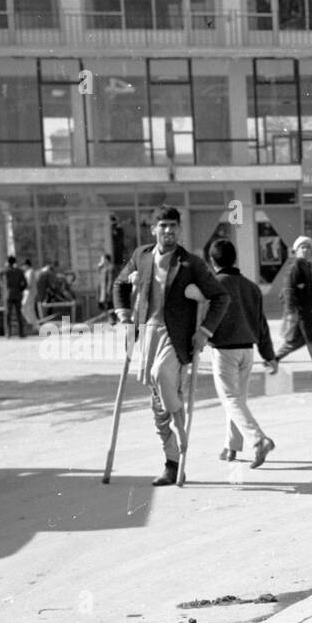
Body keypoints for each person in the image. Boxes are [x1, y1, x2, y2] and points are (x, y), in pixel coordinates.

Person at [113, 205, 228, 486]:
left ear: (179, 229)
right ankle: (172, 462)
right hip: (148, 332)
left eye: (173, 226)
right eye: (163, 225)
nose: (168, 231)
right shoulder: (141, 255)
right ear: (153, 229)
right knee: (156, 403)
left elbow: (221, 297)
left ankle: (179, 418)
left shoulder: (191, 263)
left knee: (160, 374)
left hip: (176, 337)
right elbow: (119, 284)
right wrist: (125, 316)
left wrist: (204, 332)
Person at [205, 237, 279, 468]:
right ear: (234, 258)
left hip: (223, 350)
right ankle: (231, 447)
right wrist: (269, 355)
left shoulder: (212, 286)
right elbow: (261, 325)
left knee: (230, 399)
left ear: (211, 261)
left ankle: (258, 441)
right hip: (247, 351)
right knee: (238, 400)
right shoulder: (251, 287)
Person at [274, 235, 312, 380]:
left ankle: (273, 360)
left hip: (310, 312)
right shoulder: (295, 267)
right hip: (302, 314)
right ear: (296, 250)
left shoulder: (307, 266)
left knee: (296, 341)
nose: (306, 250)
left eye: (308, 247)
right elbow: (288, 290)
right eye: (302, 247)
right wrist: (290, 311)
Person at [3, 256, 27, 337]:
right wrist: (20, 289)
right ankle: (21, 333)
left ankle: (8, 332)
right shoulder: (20, 271)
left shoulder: (6, 271)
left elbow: (4, 282)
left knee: (8, 314)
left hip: (9, 294)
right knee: (18, 314)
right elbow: (25, 283)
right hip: (17, 294)